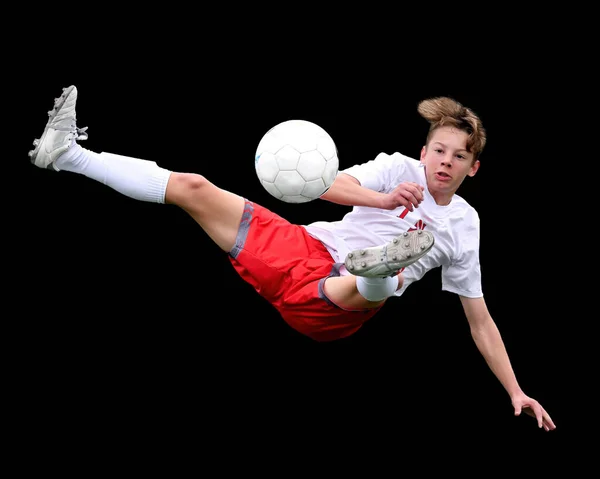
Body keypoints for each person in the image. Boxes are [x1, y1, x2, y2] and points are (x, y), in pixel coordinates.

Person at [29, 85, 556, 432]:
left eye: (459, 156)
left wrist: (516, 391)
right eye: (439, 150)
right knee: (192, 186)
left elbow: (480, 320)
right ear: (424, 152)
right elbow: (325, 185)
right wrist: (382, 199)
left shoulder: (465, 226)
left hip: (333, 308)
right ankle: (67, 154)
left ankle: (376, 269)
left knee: (380, 279)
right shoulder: (397, 169)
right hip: (299, 251)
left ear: (474, 167)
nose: (446, 161)